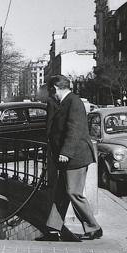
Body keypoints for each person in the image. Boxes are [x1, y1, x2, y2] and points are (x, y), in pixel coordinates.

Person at [39, 74, 102, 242]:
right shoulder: (62, 102)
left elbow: (75, 129)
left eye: (50, 90)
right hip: (67, 156)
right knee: (61, 193)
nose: (49, 93)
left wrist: (66, 152)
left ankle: (94, 227)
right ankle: (53, 228)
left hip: (76, 156)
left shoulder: (74, 102)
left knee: (73, 192)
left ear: (55, 88)